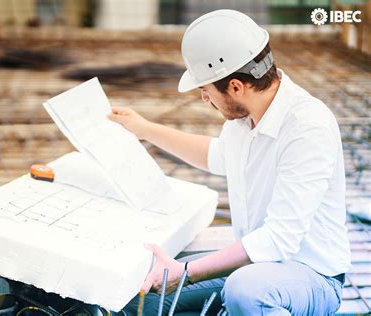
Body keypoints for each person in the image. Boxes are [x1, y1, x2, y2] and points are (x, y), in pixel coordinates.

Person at [108, 9, 351, 316]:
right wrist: (144, 129)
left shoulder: (307, 127)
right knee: (140, 301)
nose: (204, 100)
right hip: (256, 267)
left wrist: (185, 271)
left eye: (206, 91)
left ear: (236, 86)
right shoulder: (242, 123)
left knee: (246, 292)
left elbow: (278, 239)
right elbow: (215, 155)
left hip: (312, 277)